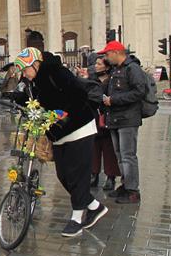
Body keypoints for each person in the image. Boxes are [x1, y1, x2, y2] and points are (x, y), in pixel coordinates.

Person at [14, 47, 107, 237]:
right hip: (58, 133)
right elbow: (37, 102)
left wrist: (63, 113)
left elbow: (79, 95)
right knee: (63, 174)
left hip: (79, 127)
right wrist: (17, 99)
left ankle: (77, 218)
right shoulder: (33, 82)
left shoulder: (56, 73)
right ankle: (94, 206)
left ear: (35, 64)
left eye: (26, 70)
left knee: (77, 173)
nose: (25, 75)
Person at [99, 41, 146, 204]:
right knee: (120, 155)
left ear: (117, 52)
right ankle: (126, 185)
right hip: (115, 118)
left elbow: (139, 91)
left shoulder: (132, 68)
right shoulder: (115, 70)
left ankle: (133, 191)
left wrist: (114, 99)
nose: (106, 57)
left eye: (107, 54)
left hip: (128, 119)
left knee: (128, 156)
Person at [86, 57, 120, 191]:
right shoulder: (91, 79)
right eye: (96, 63)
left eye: (99, 64)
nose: (96, 66)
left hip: (108, 117)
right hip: (93, 117)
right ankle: (93, 174)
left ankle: (111, 176)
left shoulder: (112, 80)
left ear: (106, 67)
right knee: (93, 147)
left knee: (109, 148)